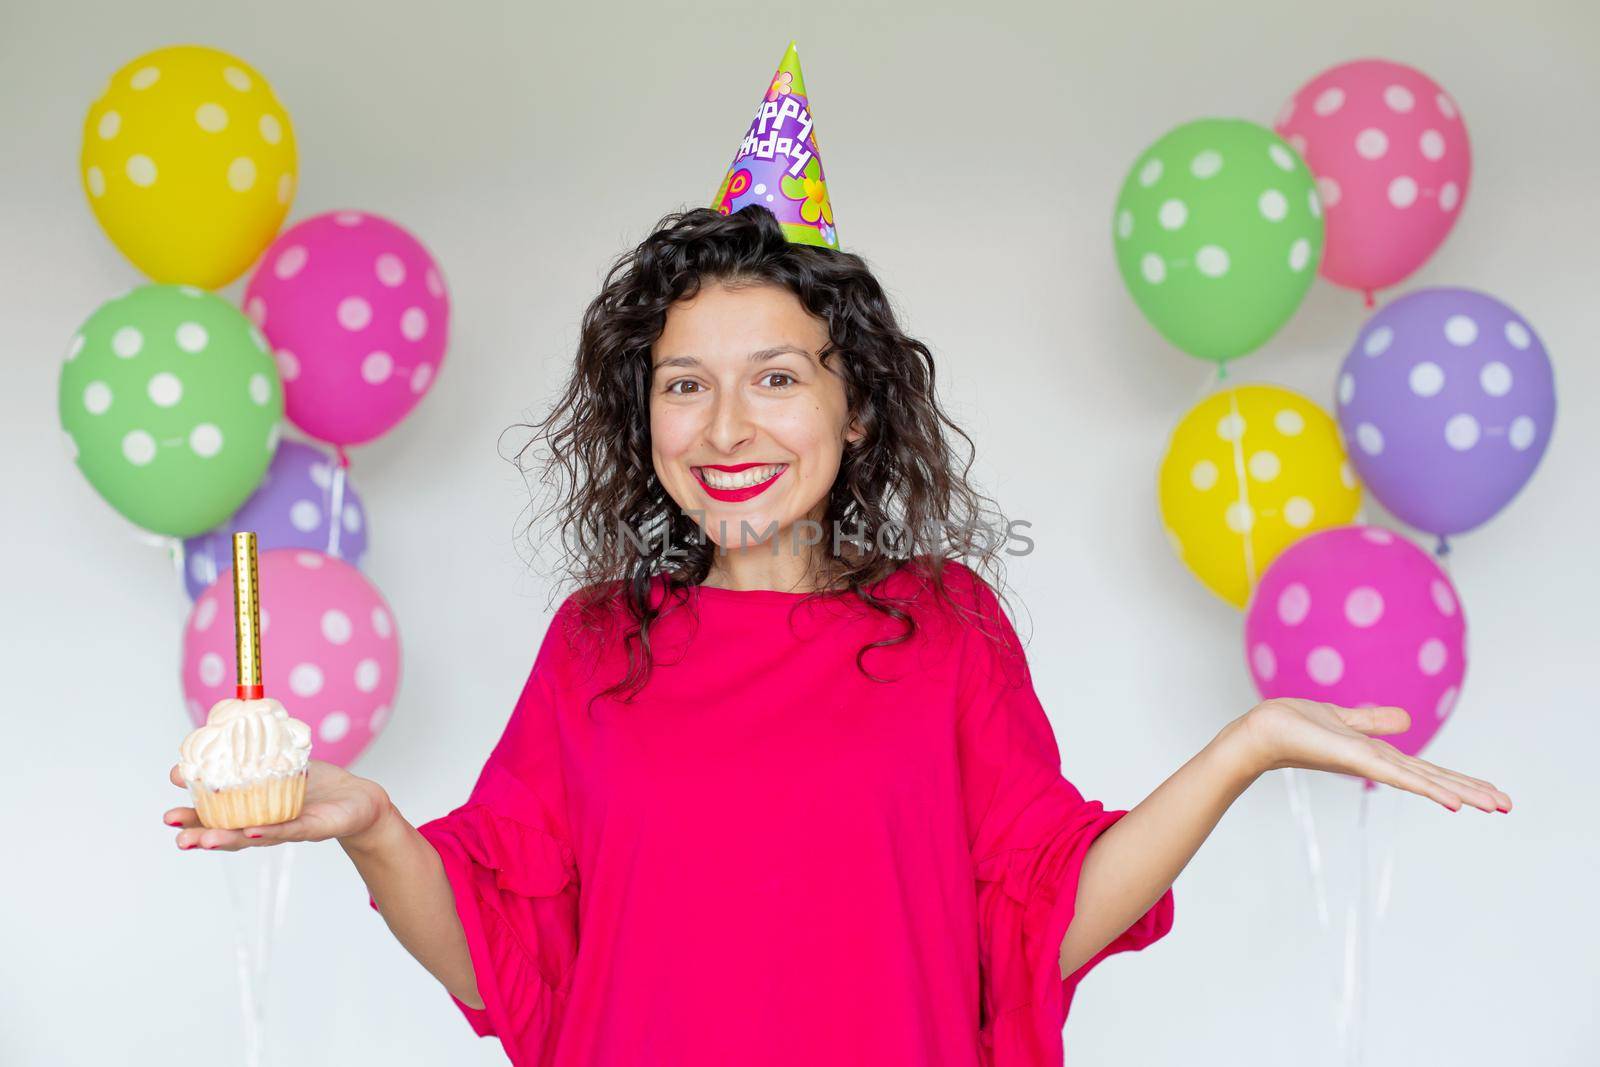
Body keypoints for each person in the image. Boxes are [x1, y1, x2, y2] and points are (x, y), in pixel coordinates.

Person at [163, 204, 1511, 1066]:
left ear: (857, 408)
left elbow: (1038, 924)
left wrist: (1250, 745)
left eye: (776, 379)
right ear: (646, 420)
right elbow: (506, 956)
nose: (727, 427)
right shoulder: (597, 646)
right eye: (684, 385)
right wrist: (371, 825)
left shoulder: (947, 630)